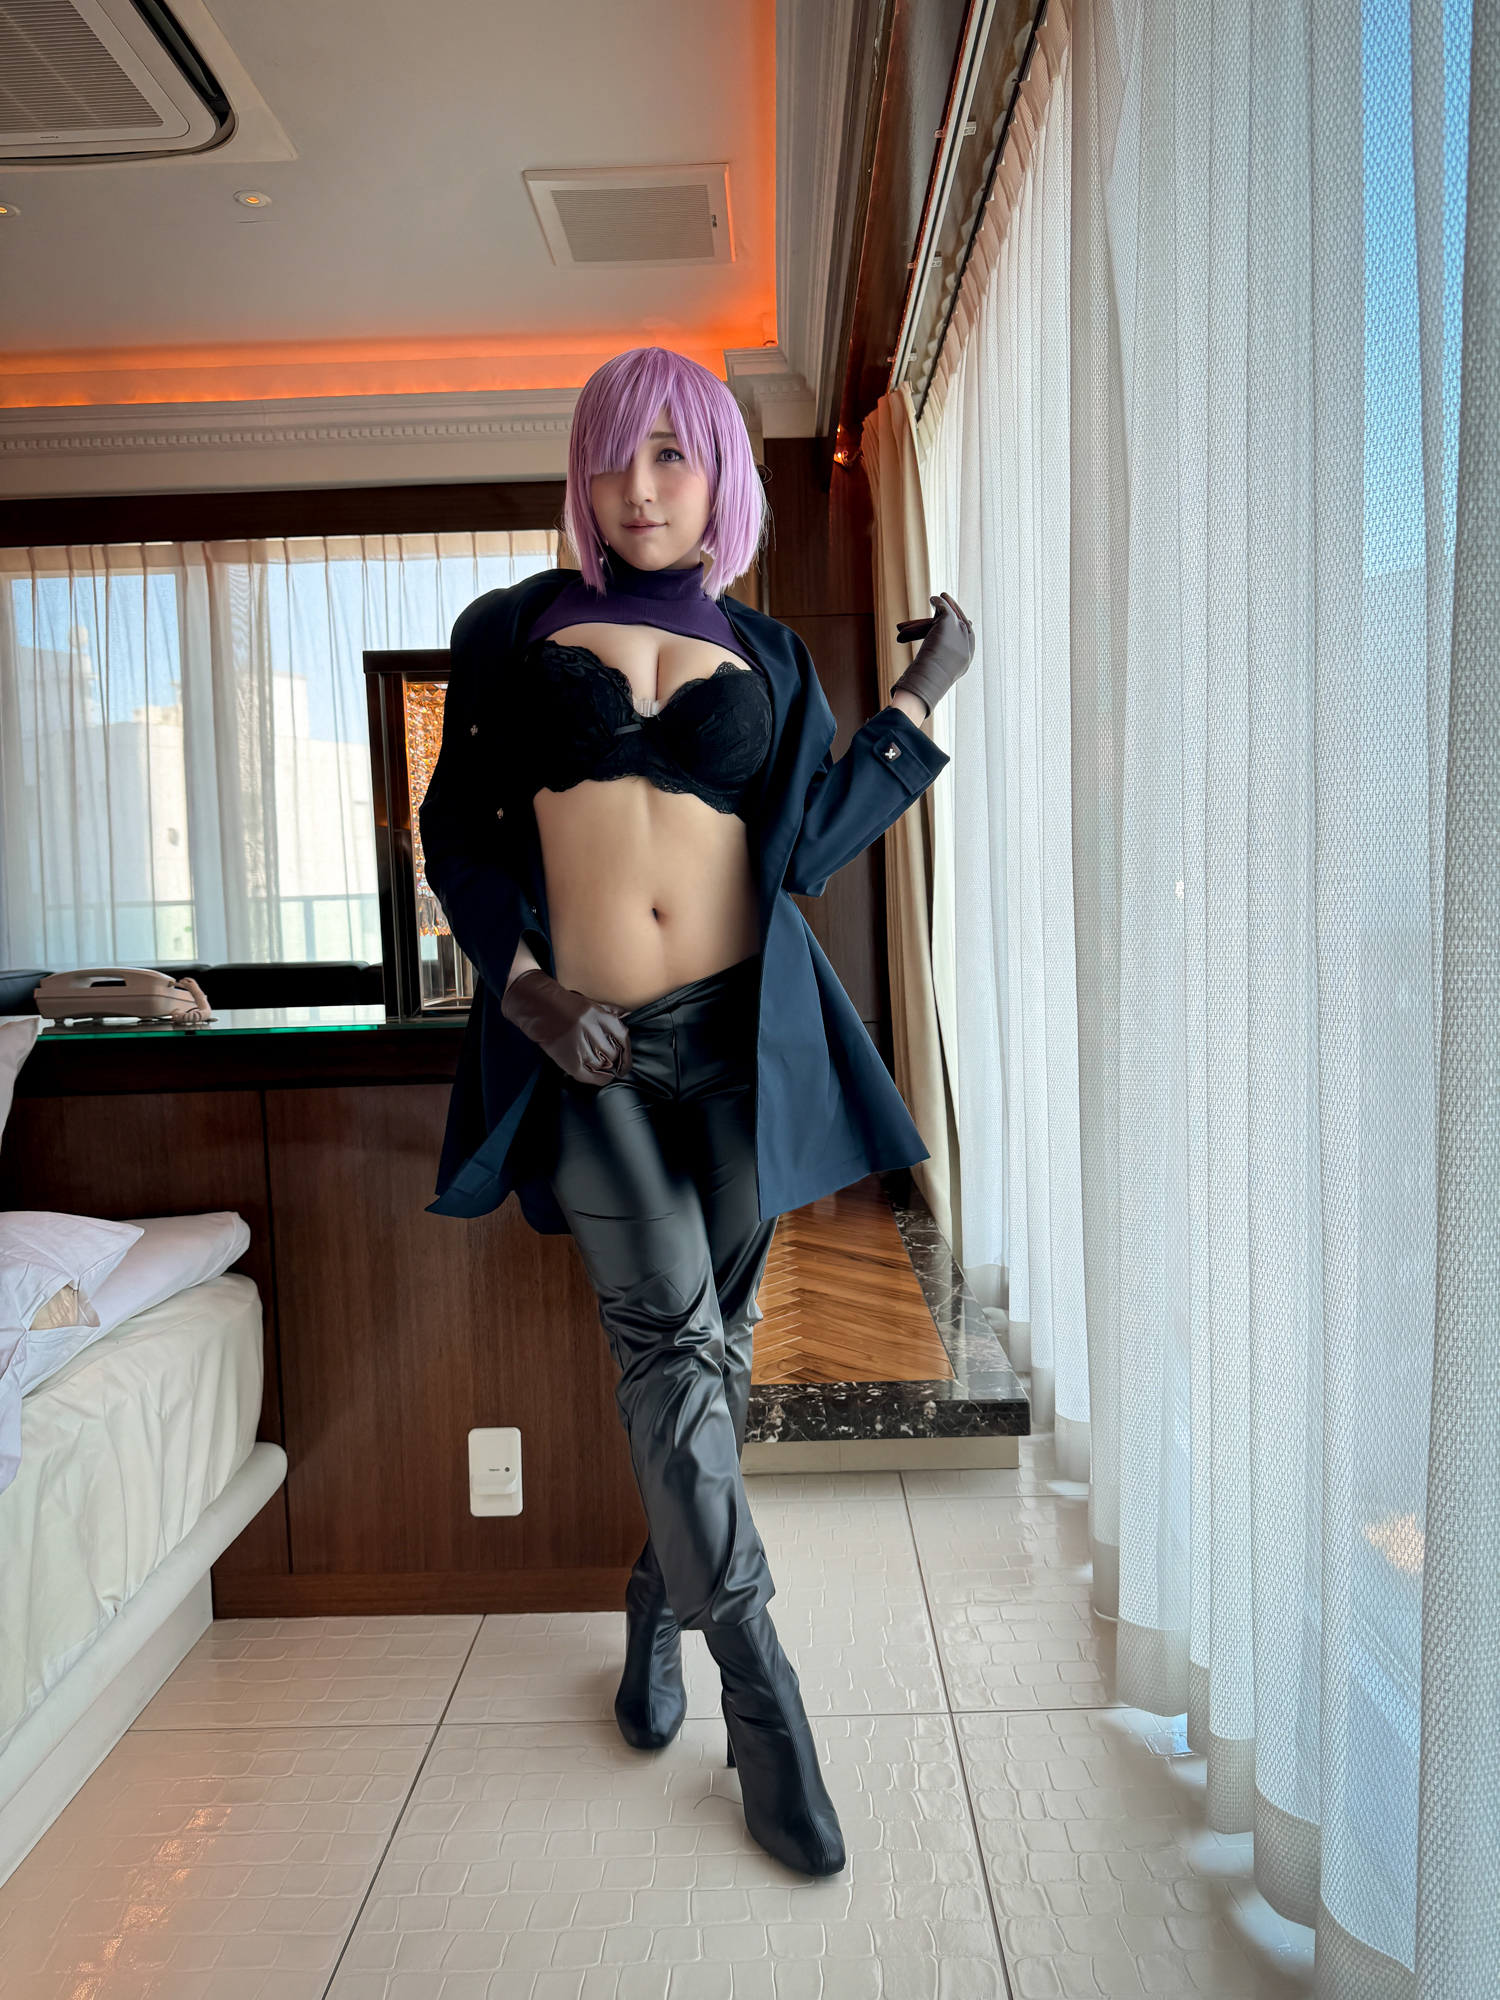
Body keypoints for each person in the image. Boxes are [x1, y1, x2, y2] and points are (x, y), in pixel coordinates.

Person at [420, 347, 972, 1876]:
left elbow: (806, 847)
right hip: (586, 1053)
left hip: (737, 1047)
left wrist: (922, 697)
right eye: (612, 456)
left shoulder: (770, 656)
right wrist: (528, 990)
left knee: (713, 1355)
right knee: (670, 1351)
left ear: (719, 473)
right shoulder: (511, 629)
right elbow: (456, 830)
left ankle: (656, 1599)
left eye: (670, 454)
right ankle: (764, 1695)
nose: (638, 485)